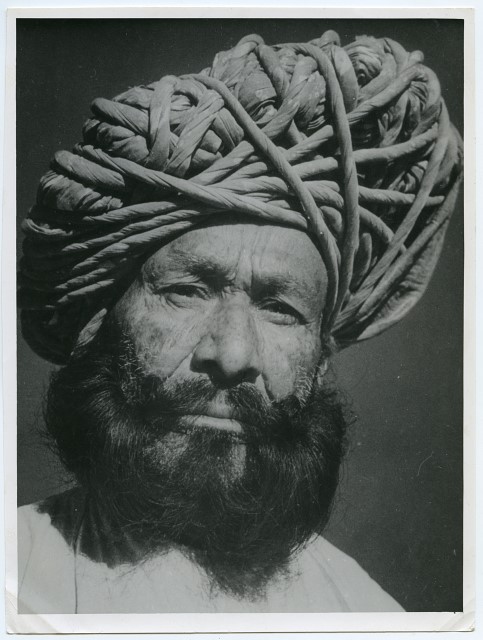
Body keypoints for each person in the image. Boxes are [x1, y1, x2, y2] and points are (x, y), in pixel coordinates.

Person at [17, 30, 462, 614]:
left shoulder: (367, 614)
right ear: (101, 320)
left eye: (281, 308)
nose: (231, 356)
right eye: (186, 291)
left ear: (320, 356)